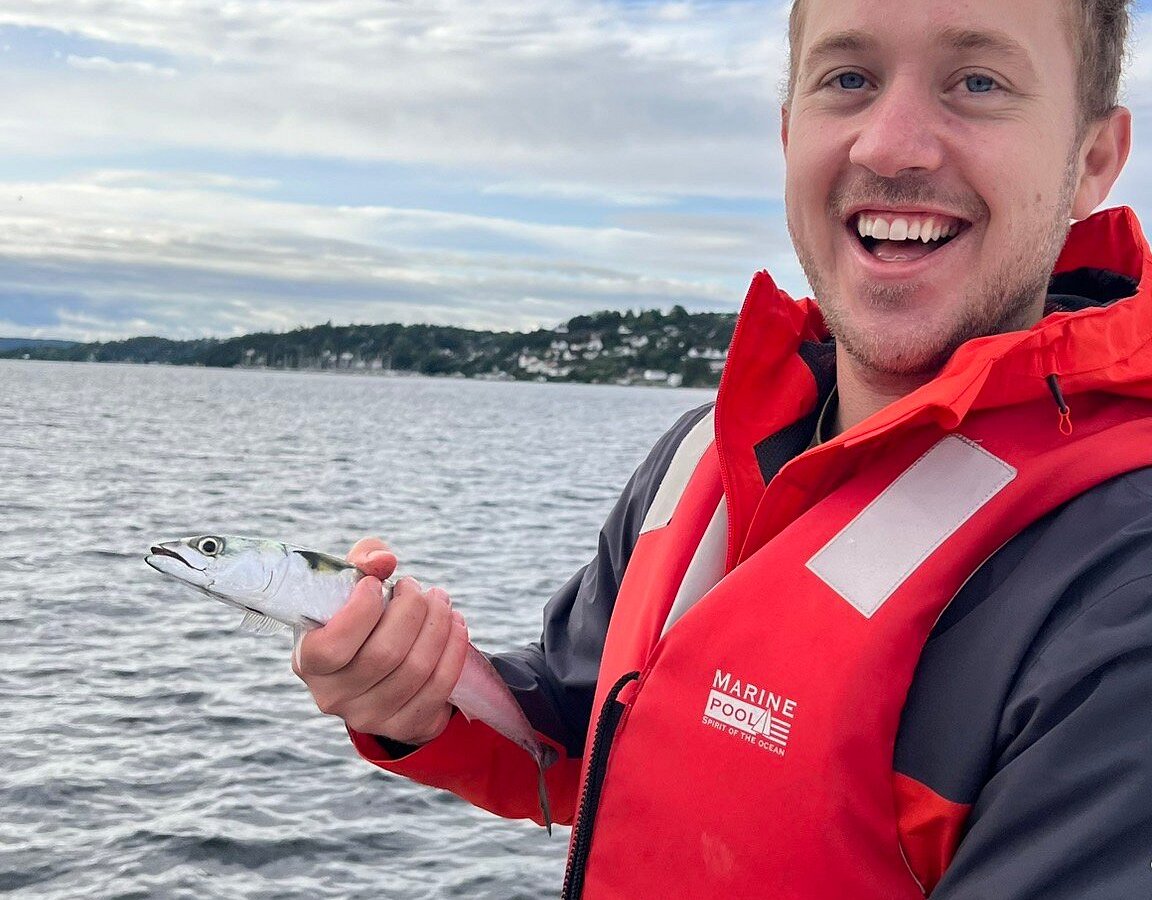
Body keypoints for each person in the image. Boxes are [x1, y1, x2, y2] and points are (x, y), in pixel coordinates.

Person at [295, 0, 1152, 896]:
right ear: (789, 133)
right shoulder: (705, 456)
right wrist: (419, 694)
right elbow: (578, 734)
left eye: (978, 83)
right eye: (848, 79)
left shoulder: (1119, 581)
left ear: (1091, 160)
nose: (891, 145)